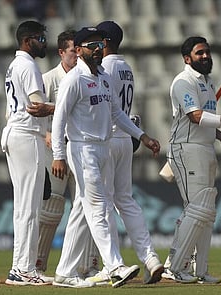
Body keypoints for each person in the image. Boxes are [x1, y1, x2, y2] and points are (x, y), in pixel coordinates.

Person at [50, 26, 160, 288]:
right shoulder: (74, 79)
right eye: (91, 45)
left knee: (81, 209)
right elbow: (59, 119)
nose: (97, 49)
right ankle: (115, 266)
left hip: (104, 147)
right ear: (78, 51)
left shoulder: (104, 77)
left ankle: (65, 272)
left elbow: (117, 114)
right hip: (82, 148)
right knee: (99, 207)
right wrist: (58, 155)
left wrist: (142, 136)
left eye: (99, 43)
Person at [82, 20, 163, 285]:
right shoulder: (126, 67)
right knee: (126, 201)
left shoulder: (105, 68)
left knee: (104, 205)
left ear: (104, 43)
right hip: (126, 140)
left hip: (107, 140)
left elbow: (105, 106)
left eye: (97, 41)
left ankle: (112, 265)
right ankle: (150, 258)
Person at [162, 36, 221, 284]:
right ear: (187, 58)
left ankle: (200, 270)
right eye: (199, 53)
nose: (205, 56)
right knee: (196, 210)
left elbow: (205, 122)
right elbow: (195, 117)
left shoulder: (208, 82)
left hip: (204, 148)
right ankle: (174, 266)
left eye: (207, 52)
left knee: (206, 212)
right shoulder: (183, 81)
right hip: (185, 149)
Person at [35, 29, 101, 282]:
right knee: (52, 208)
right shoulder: (49, 78)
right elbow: (24, 114)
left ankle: (89, 266)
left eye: (79, 50)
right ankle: (38, 265)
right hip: (57, 153)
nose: (77, 55)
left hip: (83, 150)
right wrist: (46, 135)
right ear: (62, 52)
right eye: (73, 51)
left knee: (90, 206)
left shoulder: (89, 77)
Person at [2, 20, 52, 286]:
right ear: (26, 40)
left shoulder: (14, 65)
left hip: (15, 133)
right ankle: (25, 270)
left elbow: (11, 110)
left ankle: (18, 268)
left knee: (23, 207)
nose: (44, 42)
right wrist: (65, 105)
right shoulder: (29, 65)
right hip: (26, 134)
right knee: (30, 208)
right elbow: (37, 106)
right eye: (40, 38)